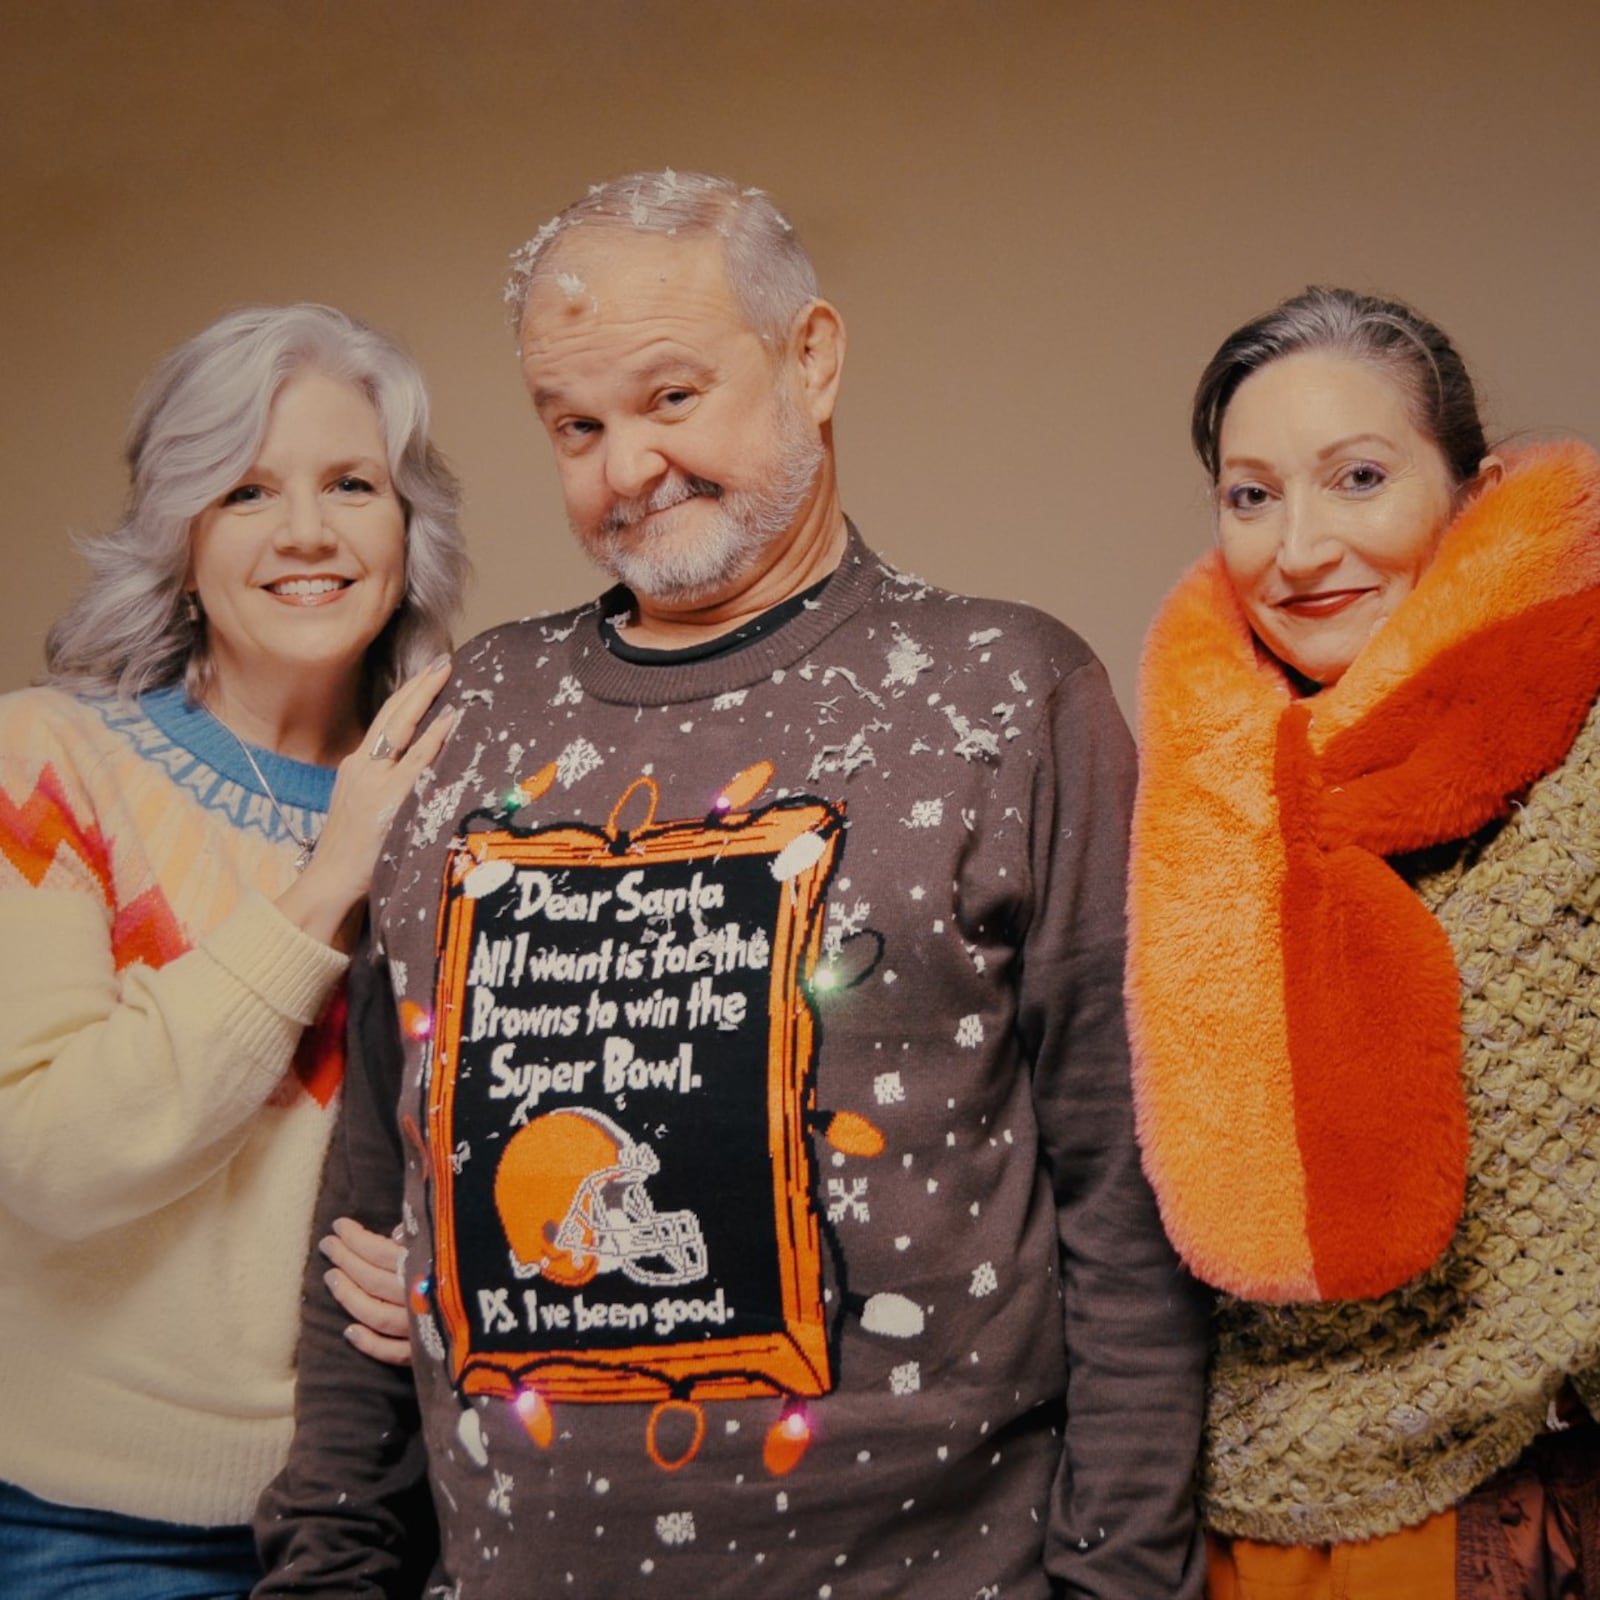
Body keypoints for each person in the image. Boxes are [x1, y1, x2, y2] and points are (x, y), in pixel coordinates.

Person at [256, 170, 1209, 1598]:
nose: (626, 466)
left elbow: (1127, 1224)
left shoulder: (1003, 697)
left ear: (811, 359)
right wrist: (324, 1568)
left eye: (672, 399)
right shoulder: (474, 715)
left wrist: (1122, 1583)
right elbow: (374, 1209)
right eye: (576, 427)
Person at [1126, 286, 1600, 1597]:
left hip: (1517, 1501)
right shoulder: (1196, 788)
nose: (1300, 548)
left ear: (1474, 489)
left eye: (1361, 477)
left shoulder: (1584, 772)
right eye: (1253, 496)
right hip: (1221, 1516)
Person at [0, 303, 469, 1596]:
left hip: (386, 1515)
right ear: (180, 534)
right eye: (248, 489)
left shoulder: (476, 807)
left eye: (352, 484)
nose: (308, 532)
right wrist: (327, 885)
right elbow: (49, 1154)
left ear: (409, 530)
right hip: (87, 1532)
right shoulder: (45, 765)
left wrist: (453, 1252)